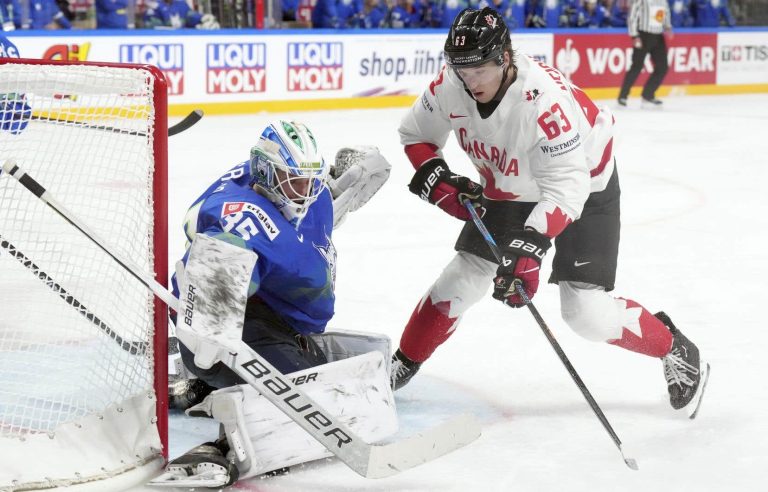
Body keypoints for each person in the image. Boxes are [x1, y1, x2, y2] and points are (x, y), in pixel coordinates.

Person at [390, 7, 710, 421]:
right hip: (511, 181)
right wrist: (435, 176)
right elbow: (415, 134)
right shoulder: (453, 82)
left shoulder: (543, 102)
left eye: (480, 70)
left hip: (584, 185)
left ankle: (674, 346)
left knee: (585, 315)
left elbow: (567, 188)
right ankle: (402, 363)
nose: (470, 82)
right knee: (464, 276)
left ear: (504, 56)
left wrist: (531, 246)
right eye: (461, 69)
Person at [156, 121, 395, 487]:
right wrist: (211, 340)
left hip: (276, 318)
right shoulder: (239, 220)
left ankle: (203, 387)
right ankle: (220, 448)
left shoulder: (299, 193)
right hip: (229, 324)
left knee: (347, 370)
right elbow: (208, 237)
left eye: (312, 180)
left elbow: (322, 197)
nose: (306, 191)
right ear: (267, 173)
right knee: (312, 398)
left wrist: (339, 177)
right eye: (297, 181)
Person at [617, 0, 671, 107]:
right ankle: (623, 96)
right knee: (637, 66)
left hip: (658, 35)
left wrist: (667, 26)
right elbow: (632, 15)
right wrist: (634, 35)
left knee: (662, 67)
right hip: (643, 35)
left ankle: (648, 94)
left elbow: (666, 12)